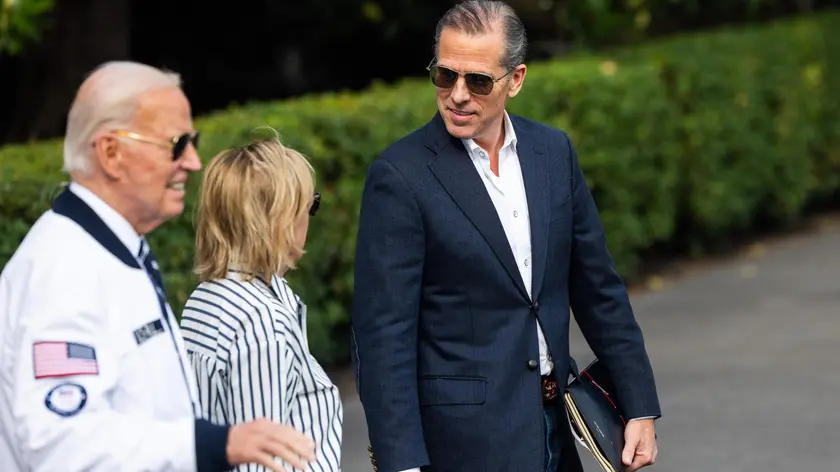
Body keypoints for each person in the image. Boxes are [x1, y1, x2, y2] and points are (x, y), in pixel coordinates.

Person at [350, 2, 661, 472]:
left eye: (477, 81)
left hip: (557, 428)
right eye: (444, 76)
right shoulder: (399, 175)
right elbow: (383, 336)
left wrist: (638, 405)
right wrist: (402, 463)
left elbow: (599, 289)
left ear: (515, 79)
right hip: (461, 448)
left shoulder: (553, 152)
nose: (457, 95)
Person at [0, 61, 316, 472]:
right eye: (177, 144)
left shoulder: (111, 250)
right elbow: (61, 447)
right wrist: (213, 444)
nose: (193, 162)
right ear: (111, 153)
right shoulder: (64, 271)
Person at [179, 134, 343, 472]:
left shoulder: (204, 298)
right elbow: (261, 461)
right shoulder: (260, 319)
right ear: (281, 218)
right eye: (310, 205)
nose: (310, 217)